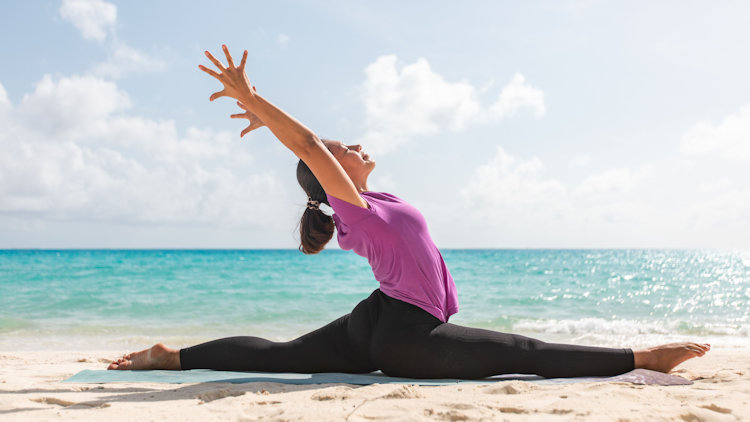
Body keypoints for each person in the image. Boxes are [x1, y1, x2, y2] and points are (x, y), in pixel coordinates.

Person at [108, 45, 710, 378]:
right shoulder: (355, 209)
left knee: (284, 357)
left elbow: (319, 154)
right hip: (403, 336)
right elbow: (310, 146)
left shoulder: (378, 203)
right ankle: (645, 358)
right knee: (522, 355)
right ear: (330, 175)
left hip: (380, 320)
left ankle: (171, 357)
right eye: (344, 148)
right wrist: (256, 102)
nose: (353, 145)